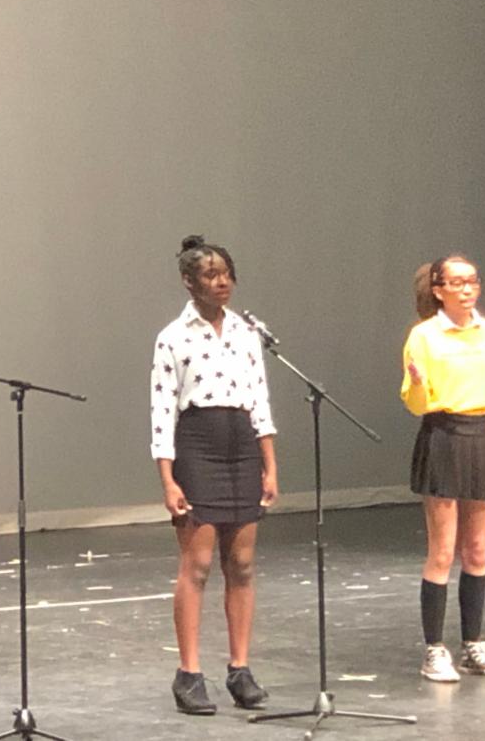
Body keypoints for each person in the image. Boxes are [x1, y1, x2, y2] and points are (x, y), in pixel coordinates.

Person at [150, 235, 279, 715]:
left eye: (226, 273)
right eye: (210, 274)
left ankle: (240, 668)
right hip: (198, 445)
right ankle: (188, 674)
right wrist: (168, 477)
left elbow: (259, 399)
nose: (221, 281)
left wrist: (269, 463)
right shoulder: (173, 337)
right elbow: (162, 408)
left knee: (241, 564)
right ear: (189, 282)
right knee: (198, 565)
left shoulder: (246, 332)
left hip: (242, 444)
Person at [400, 254, 485, 682]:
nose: (466, 288)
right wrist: (418, 384)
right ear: (438, 289)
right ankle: (434, 650)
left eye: (472, 280)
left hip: (484, 438)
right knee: (442, 551)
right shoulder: (423, 336)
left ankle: (473, 644)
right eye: (456, 282)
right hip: (443, 437)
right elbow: (417, 403)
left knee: (476, 551)